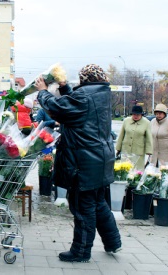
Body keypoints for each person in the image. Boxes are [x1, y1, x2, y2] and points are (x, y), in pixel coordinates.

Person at [35, 64, 122, 262]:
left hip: (84, 162)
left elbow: (59, 108)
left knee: (83, 208)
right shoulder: (101, 94)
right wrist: (64, 86)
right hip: (98, 160)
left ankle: (81, 251)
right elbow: (75, 108)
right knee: (98, 204)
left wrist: (42, 93)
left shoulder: (84, 97)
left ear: (84, 79)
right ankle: (113, 242)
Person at [115, 105, 153, 170]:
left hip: (138, 151)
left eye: (138, 115)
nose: (135, 116)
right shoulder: (126, 121)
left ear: (141, 115)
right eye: (134, 114)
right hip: (126, 150)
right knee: (125, 170)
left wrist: (149, 152)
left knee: (137, 171)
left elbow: (149, 138)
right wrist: (118, 148)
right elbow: (121, 135)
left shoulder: (146, 123)